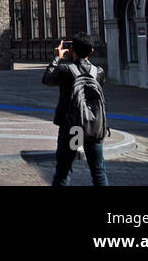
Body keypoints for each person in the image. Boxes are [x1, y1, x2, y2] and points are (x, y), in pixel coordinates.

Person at [43, 33, 110, 186]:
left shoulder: (66, 70)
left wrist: (57, 57)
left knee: (65, 171)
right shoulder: (98, 72)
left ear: (72, 50)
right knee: (98, 171)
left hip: (74, 129)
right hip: (94, 126)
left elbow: (47, 79)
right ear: (92, 50)